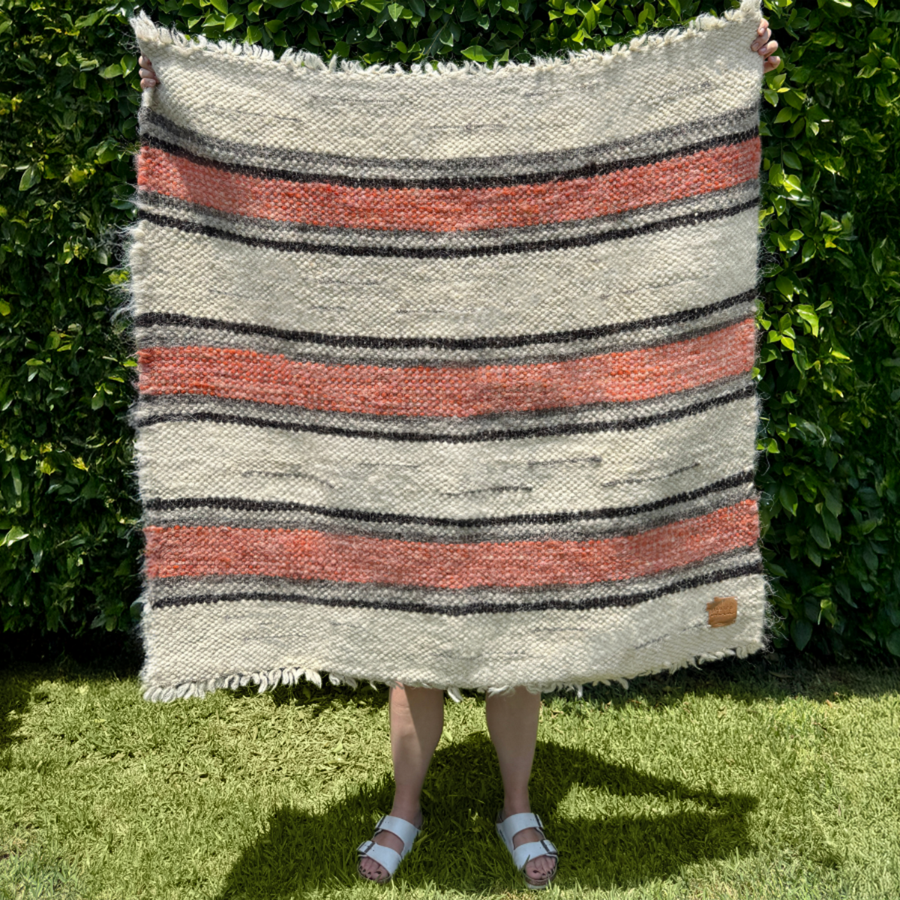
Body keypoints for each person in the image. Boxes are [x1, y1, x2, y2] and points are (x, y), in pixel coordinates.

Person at [136, 20, 780, 889]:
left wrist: (730, 71)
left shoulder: (539, 160)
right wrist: (185, 99)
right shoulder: (388, 161)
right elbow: (306, 185)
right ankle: (407, 806)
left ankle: (517, 802)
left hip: (524, 424)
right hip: (404, 436)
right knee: (414, 640)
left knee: (517, 631)